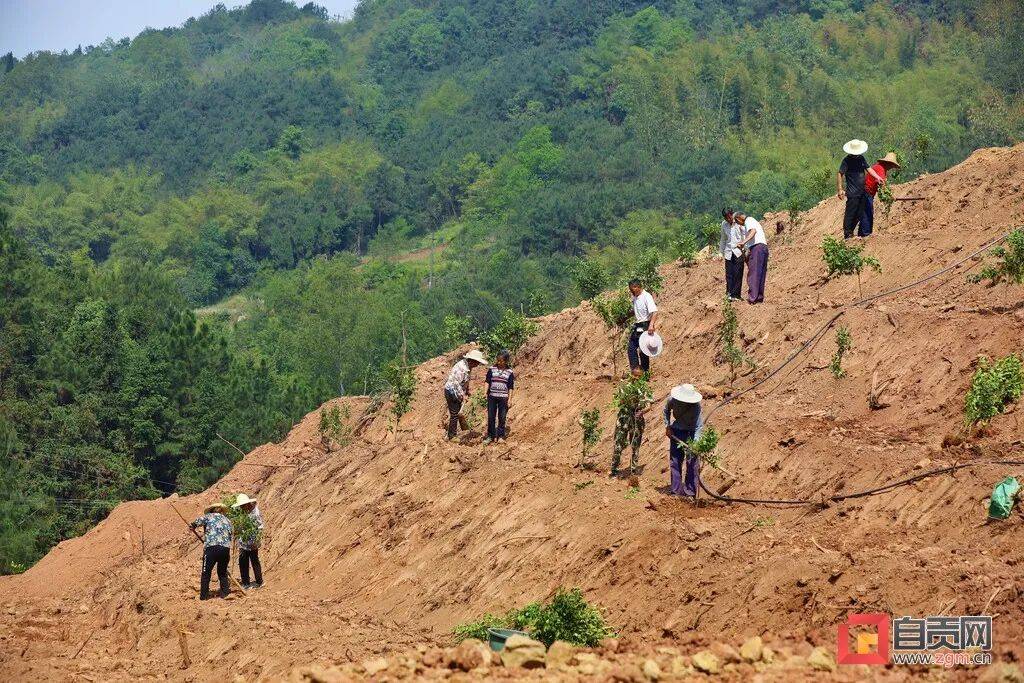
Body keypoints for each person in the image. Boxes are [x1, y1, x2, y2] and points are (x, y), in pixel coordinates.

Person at [663, 383, 704, 498]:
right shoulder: (672, 400)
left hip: (691, 434)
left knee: (692, 462)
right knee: (675, 461)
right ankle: (676, 491)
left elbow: (698, 427)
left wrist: (695, 444)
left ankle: (690, 492)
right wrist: (667, 427)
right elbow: (666, 410)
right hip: (677, 431)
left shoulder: (696, 407)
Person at [611, 374, 652, 478]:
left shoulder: (644, 388)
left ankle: (633, 471)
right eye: (634, 376)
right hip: (624, 418)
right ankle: (614, 470)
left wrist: (641, 411)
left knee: (635, 446)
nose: (636, 378)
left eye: (638, 377)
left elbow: (649, 405)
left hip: (637, 420)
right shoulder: (624, 386)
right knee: (618, 443)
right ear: (631, 375)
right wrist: (626, 400)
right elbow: (619, 402)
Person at [190, 503, 233, 600]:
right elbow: (230, 535)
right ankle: (225, 593)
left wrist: (192, 526)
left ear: (211, 510)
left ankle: (204, 596)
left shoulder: (208, 517)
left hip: (211, 548)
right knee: (222, 572)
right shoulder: (227, 520)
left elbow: (197, 522)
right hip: (225, 549)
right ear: (221, 511)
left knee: (206, 572)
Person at [443, 349, 487, 439]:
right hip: (451, 391)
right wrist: (463, 396)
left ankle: (456, 431)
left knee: (457, 412)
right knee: (454, 414)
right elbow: (456, 383)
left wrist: (467, 391)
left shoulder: (468, 367)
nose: (478, 364)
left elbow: (466, 381)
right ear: (472, 361)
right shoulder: (461, 368)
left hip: (456, 390)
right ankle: (451, 436)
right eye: (477, 362)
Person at [837, 139, 873, 239]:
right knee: (850, 213)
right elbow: (840, 173)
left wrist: (877, 177)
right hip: (852, 192)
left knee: (859, 213)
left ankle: (851, 232)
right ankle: (847, 234)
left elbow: (869, 168)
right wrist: (840, 189)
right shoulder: (846, 161)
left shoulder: (861, 158)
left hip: (862, 191)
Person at [861, 152, 900, 237]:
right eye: (892, 165)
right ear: (888, 163)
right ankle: (865, 235)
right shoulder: (880, 169)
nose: (891, 168)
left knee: (866, 213)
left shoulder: (880, 168)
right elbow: (881, 184)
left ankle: (862, 234)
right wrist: (889, 195)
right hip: (866, 192)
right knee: (867, 213)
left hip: (867, 193)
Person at [734, 212, 769, 304]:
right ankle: (759, 298)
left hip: (757, 248)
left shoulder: (748, 221)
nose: (739, 224)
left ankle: (752, 298)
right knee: (761, 273)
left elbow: (753, 231)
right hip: (763, 248)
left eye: (737, 222)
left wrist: (743, 242)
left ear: (738, 219)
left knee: (754, 273)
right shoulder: (753, 221)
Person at [627, 279, 658, 377]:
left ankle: (645, 373)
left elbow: (654, 311)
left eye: (632, 288)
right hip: (638, 325)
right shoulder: (635, 297)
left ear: (637, 287)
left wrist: (651, 325)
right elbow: (635, 311)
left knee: (643, 350)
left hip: (645, 325)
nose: (631, 290)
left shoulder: (646, 296)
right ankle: (636, 372)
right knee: (631, 348)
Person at [233, 493, 264, 589]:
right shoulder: (243, 512)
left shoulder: (255, 512)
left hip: (252, 541)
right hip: (243, 541)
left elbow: (259, 526)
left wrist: (254, 537)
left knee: (254, 560)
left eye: (243, 505)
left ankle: (259, 581)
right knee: (243, 561)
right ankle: (245, 582)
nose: (242, 507)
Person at [484, 350, 515, 443]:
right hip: (492, 397)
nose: (499, 363)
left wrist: (510, 399)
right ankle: (490, 436)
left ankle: (500, 436)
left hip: (503, 398)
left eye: (501, 361)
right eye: (498, 360)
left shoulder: (510, 372)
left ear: (506, 361)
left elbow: (510, 387)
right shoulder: (492, 369)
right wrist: (485, 392)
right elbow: (487, 381)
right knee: (491, 416)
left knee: (502, 417)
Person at [719, 207, 744, 300]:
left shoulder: (739, 222)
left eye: (729, 217)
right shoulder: (724, 225)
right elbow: (723, 239)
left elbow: (744, 235)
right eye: (726, 218)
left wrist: (745, 249)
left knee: (738, 273)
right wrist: (721, 252)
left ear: (732, 214)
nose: (728, 220)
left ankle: (736, 295)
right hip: (728, 251)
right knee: (729, 274)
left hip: (738, 251)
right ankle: (729, 293)